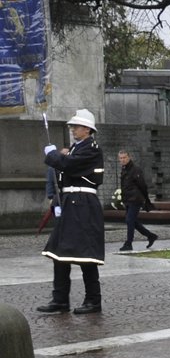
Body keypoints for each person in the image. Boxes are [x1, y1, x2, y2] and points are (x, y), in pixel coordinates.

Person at [37, 108, 106, 315]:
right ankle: (60, 299)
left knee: (86, 255)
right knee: (59, 253)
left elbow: (70, 165)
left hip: (83, 203)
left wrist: (54, 155)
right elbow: (65, 172)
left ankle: (93, 300)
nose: (73, 129)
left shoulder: (91, 148)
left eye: (76, 126)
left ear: (87, 129)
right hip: (70, 201)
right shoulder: (77, 148)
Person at [116, 150, 157, 252]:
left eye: (124, 157)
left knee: (130, 220)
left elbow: (142, 185)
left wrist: (146, 200)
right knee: (132, 221)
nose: (122, 160)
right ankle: (150, 235)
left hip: (135, 199)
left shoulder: (135, 170)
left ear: (129, 157)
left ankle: (128, 243)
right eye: (120, 158)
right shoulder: (124, 169)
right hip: (128, 199)